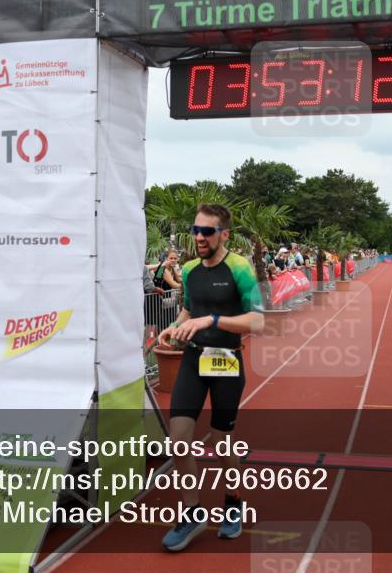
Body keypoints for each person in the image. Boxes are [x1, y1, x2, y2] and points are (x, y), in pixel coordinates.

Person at [157, 204, 264, 551]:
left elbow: (258, 321)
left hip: (226, 363)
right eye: (196, 230)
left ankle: (233, 501)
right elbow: (189, 308)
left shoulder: (239, 268)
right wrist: (173, 328)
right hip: (192, 359)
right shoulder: (188, 270)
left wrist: (213, 321)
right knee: (180, 437)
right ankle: (191, 512)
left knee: (221, 442)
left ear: (224, 234)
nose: (200, 237)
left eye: (207, 231)